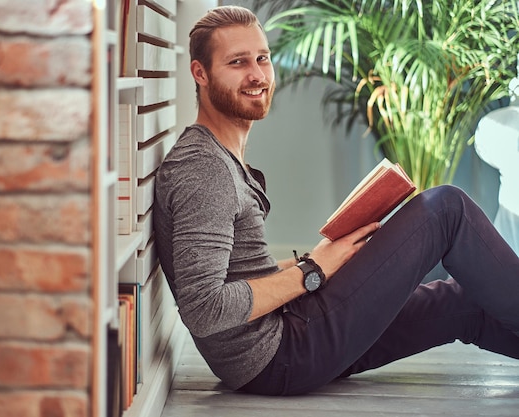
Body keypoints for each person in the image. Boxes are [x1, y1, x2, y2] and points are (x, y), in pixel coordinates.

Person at [153, 5, 519, 396]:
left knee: (461, 305)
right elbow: (204, 309)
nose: (257, 75)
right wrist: (312, 270)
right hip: (284, 353)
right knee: (446, 209)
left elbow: (233, 276)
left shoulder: (215, 156)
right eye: (238, 62)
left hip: (287, 338)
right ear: (200, 73)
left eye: (262, 58)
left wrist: (321, 258)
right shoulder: (203, 169)